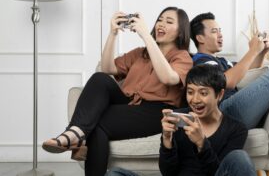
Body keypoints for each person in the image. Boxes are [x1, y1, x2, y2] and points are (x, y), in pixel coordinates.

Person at [42, 7, 193, 176]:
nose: (161, 24)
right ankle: (75, 132)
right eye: (160, 19)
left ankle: (75, 134)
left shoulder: (183, 57)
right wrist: (112, 34)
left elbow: (168, 78)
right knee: (100, 78)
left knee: (97, 124)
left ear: (181, 31)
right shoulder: (140, 54)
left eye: (169, 21)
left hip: (155, 110)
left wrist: (146, 36)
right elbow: (107, 68)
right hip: (128, 104)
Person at [105, 65, 257, 176]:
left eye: (203, 93)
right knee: (115, 174)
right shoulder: (179, 118)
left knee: (239, 157)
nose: (195, 99)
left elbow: (218, 172)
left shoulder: (236, 129)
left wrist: (201, 144)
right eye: (190, 92)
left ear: (219, 95)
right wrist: (166, 141)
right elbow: (168, 173)